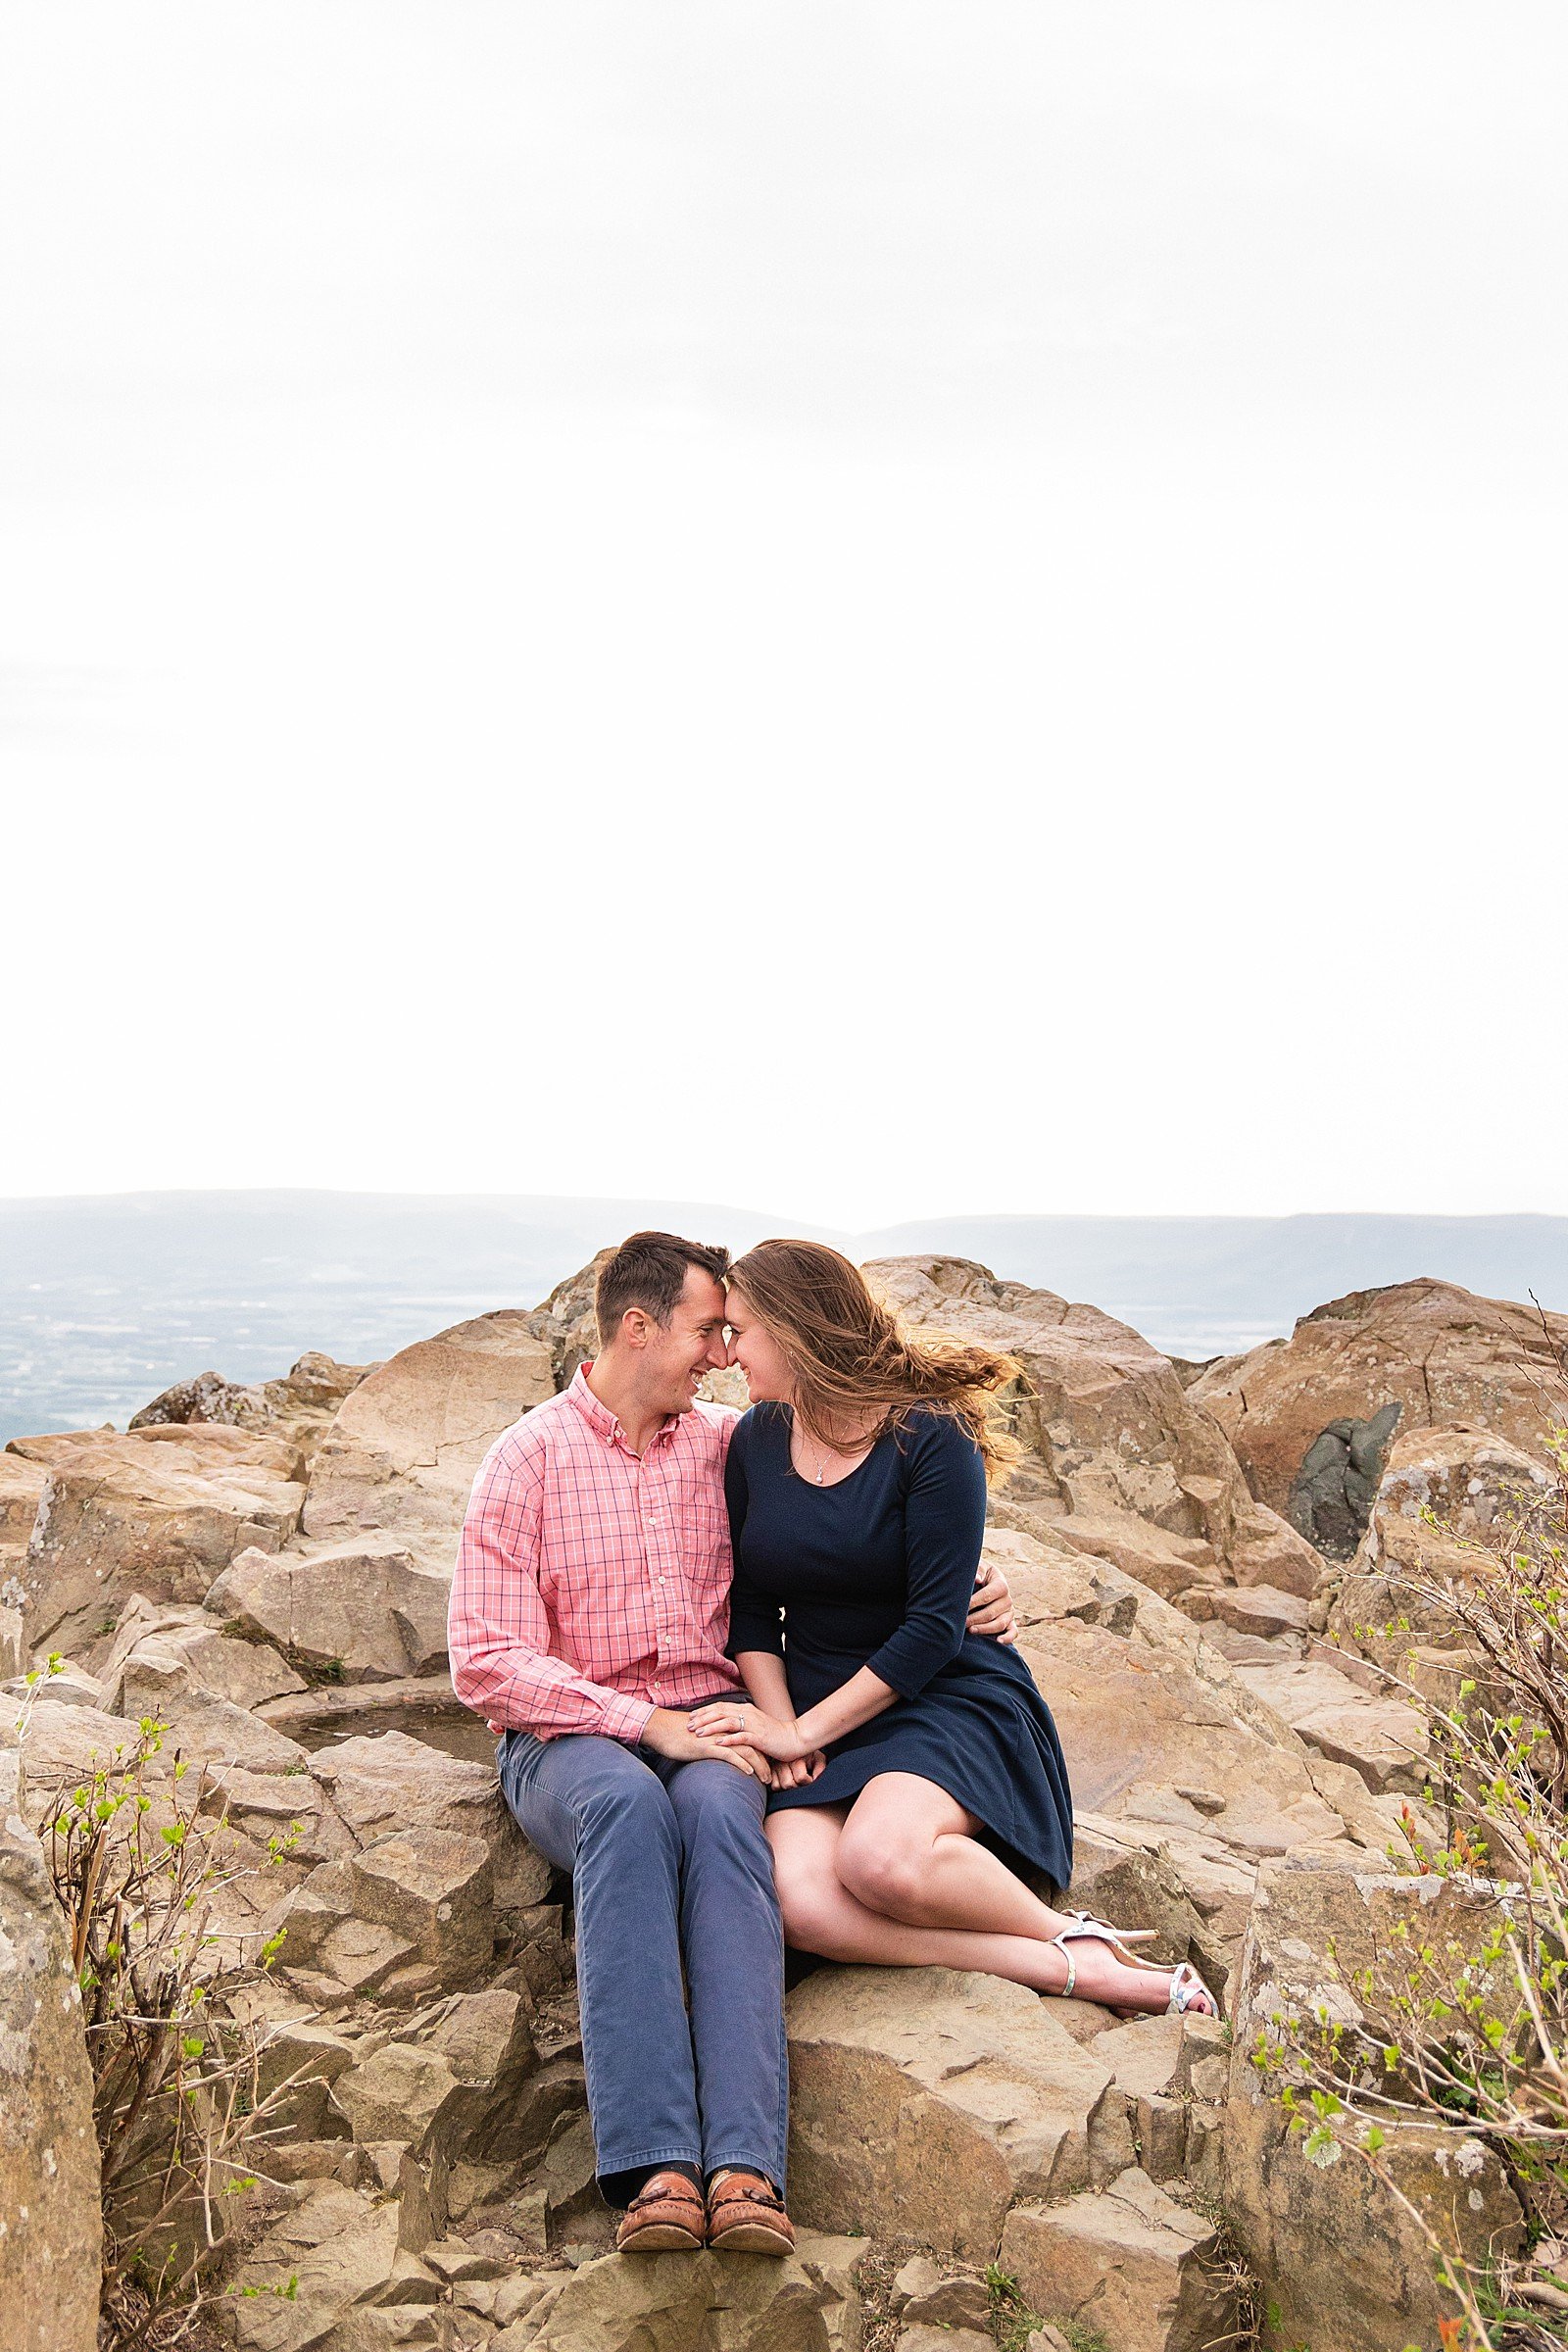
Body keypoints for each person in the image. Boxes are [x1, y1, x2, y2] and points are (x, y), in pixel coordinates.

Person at [447, 1231, 1019, 2257]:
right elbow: (484, 1661)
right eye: (708, 1330)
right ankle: (656, 2167)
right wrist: (641, 1723)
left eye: (731, 1333)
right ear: (637, 1328)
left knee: (721, 1814)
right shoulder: (525, 1462)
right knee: (627, 1808)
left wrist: (982, 1585)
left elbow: (861, 1515)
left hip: (707, 1728)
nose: (721, 1353)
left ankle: (747, 2169)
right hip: (568, 1736)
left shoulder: (727, 1444)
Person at [690, 1239, 1215, 2018]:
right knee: (800, 1903)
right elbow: (753, 1611)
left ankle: (1064, 1935)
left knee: (879, 1860)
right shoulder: (757, 1439)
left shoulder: (930, 1436)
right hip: (818, 1704)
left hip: (942, 1697)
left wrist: (801, 1737)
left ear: (794, 1331)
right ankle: (1068, 1965)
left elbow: (934, 1628)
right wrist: (780, 1721)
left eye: (740, 1332)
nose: (729, 1355)